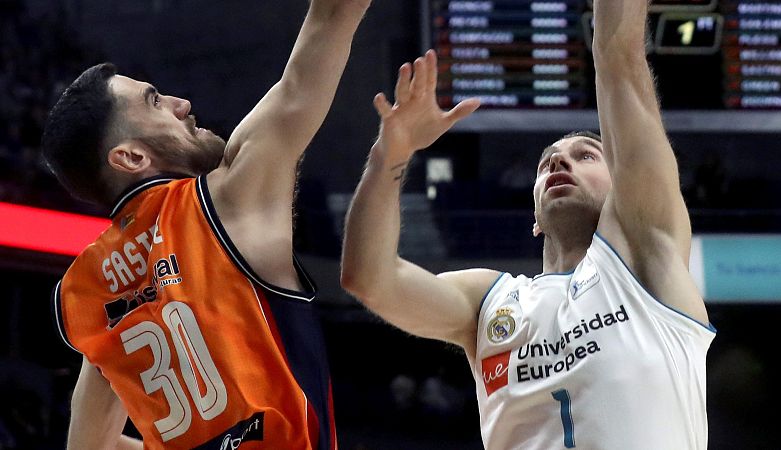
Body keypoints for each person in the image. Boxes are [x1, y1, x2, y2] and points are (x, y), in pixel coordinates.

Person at [340, 0, 715, 448]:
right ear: (534, 220)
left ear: (624, 188)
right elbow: (369, 277)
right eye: (547, 163)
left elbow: (619, 59)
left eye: (586, 155)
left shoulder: (647, 251)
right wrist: (392, 155)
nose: (560, 159)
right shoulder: (489, 300)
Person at [43, 0, 370, 448]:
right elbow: (333, 16)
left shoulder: (84, 292)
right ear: (132, 157)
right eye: (155, 101)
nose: (182, 104)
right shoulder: (225, 200)